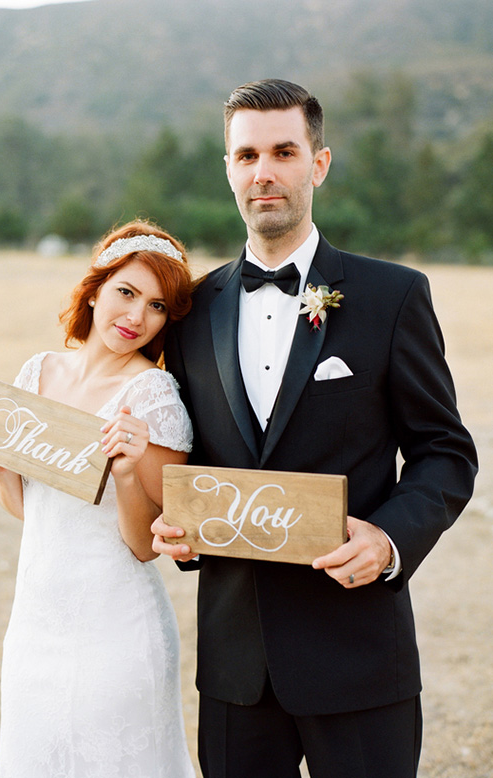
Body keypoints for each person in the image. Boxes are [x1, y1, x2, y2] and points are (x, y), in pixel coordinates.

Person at [151, 79, 478, 778]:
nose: (263, 172)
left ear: (318, 164)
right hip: (235, 669)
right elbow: (189, 459)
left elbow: (445, 453)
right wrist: (175, 525)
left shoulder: (393, 296)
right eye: (247, 156)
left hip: (359, 655)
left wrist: (389, 539)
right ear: (229, 168)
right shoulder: (191, 310)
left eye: (284, 152)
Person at [0, 220, 197, 778]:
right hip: (35, 619)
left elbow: (145, 546)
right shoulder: (38, 372)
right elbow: (35, 512)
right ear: (94, 290)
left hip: (115, 628)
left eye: (157, 306)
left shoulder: (154, 397)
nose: (136, 317)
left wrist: (128, 474)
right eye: (126, 292)